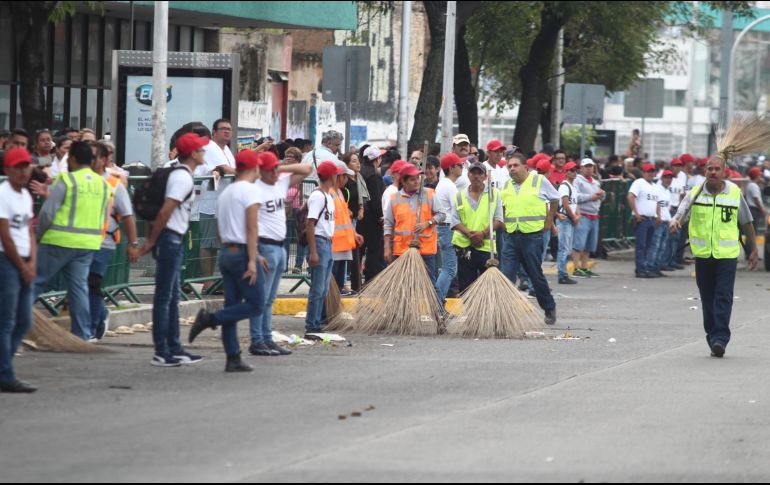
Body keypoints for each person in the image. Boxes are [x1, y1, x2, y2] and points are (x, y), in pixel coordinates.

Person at [671, 156, 758, 358]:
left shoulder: (735, 194)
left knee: (724, 296)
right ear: (705, 172)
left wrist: (752, 250)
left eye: (717, 169)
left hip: (727, 256)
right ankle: (712, 333)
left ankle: (720, 338)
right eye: (710, 169)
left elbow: (747, 223)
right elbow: (680, 215)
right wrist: (674, 223)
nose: (713, 172)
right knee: (707, 298)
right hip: (703, 256)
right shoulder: (695, 193)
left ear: (724, 172)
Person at [189, 150, 265, 372]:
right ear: (254, 168)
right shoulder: (250, 191)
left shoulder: (226, 193)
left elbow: (221, 230)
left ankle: (233, 356)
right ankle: (210, 319)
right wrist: (253, 259)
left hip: (226, 252)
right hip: (242, 253)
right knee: (256, 304)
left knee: (233, 305)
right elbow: (252, 227)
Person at [139, 133, 208, 367]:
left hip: (172, 238)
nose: (204, 153)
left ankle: (174, 347)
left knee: (172, 297)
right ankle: (162, 350)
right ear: (192, 153)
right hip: (170, 239)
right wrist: (151, 241)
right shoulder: (182, 179)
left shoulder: (183, 175)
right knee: (164, 297)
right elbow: (165, 212)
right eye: (201, 149)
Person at [34, 141, 109, 341]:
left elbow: (48, 212)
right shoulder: (102, 182)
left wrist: (39, 235)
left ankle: (12, 326)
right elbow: (103, 214)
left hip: (58, 241)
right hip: (88, 244)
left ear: (73, 159)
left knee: (34, 282)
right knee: (79, 289)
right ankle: (83, 334)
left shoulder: (66, 180)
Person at [251, 151, 311, 355]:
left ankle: (267, 338)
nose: (276, 174)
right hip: (264, 245)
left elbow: (307, 169)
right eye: (272, 170)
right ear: (262, 171)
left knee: (269, 299)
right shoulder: (255, 188)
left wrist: (280, 168)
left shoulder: (279, 182)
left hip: (279, 245)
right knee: (261, 297)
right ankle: (257, 339)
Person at [88, 141, 139, 341]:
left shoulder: (114, 184)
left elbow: (127, 216)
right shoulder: (82, 179)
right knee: (83, 284)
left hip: (103, 242)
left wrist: (133, 244)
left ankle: (93, 326)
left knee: (92, 283)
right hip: (79, 241)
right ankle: (98, 317)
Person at [500, 152, 559, 325]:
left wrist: (549, 220)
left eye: (515, 165)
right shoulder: (506, 186)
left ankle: (549, 307)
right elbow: (502, 206)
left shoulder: (538, 181)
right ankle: (504, 315)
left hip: (532, 236)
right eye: (509, 166)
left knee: (534, 274)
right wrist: (504, 223)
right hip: (511, 236)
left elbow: (555, 199)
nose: (512, 169)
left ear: (526, 167)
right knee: (506, 275)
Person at [0, 148, 37, 393]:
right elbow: (5, 235)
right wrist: (22, 265)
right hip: (7, 260)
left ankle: (4, 366)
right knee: (7, 320)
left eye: (26, 166)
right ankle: (6, 373)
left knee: (24, 320)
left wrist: (32, 262)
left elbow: (30, 231)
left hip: (25, 260)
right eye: (18, 167)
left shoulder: (25, 195)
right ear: (7, 170)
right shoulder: (3, 194)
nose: (24, 171)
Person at [384, 163, 444, 285]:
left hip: (425, 249)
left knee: (429, 285)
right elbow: (388, 225)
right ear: (404, 182)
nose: (417, 182)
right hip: (402, 250)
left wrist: (428, 223)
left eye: (417, 178)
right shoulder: (394, 198)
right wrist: (386, 247)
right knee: (403, 285)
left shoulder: (429, 194)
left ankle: (435, 305)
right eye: (412, 179)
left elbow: (442, 214)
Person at [197, 119, 237, 294]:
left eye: (229, 129)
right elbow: (226, 169)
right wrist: (249, 172)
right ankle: (207, 282)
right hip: (211, 203)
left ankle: (218, 280)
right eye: (223, 129)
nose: (227, 132)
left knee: (220, 244)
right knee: (208, 244)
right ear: (214, 132)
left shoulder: (226, 149)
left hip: (225, 204)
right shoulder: (211, 147)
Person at [450, 162, 503, 291]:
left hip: (486, 247)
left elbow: (499, 220)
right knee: (466, 287)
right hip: (465, 247)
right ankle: (469, 311)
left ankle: (486, 311)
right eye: (473, 173)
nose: (476, 176)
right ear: (468, 175)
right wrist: (470, 234)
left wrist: (482, 234)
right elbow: (454, 221)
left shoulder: (494, 194)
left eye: (480, 173)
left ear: (485, 176)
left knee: (488, 287)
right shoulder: (459, 195)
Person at [304, 161, 339, 337]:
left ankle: (315, 322)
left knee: (323, 288)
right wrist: (313, 252)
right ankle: (312, 324)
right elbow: (310, 224)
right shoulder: (319, 196)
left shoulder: (328, 196)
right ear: (331, 176)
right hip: (320, 241)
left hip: (327, 242)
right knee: (318, 288)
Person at [330, 160, 362, 297]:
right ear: (339, 177)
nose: (347, 180)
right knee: (331, 285)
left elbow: (344, 218)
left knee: (337, 284)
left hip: (342, 246)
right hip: (334, 246)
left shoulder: (339, 193)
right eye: (345, 176)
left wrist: (354, 233)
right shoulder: (331, 194)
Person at [435, 153, 463, 306]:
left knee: (447, 268)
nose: (462, 168)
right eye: (460, 165)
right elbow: (458, 211)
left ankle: (438, 303)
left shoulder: (443, 184)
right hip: (447, 229)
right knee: (449, 269)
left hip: (443, 229)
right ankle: (438, 303)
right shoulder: (450, 186)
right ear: (452, 168)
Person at [572, 158, 606, 278]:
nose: (588, 168)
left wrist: (602, 195)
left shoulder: (595, 182)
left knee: (589, 245)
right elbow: (575, 196)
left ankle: (585, 267)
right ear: (581, 168)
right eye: (586, 166)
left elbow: (600, 197)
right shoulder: (577, 181)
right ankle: (576, 267)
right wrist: (591, 197)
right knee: (578, 243)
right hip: (583, 214)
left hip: (594, 214)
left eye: (590, 166)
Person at [627, 163, 661, 278]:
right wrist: (636, 214)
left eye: (652, 171)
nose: (651, 173)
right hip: (641, 218)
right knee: (641, 245)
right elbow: (630, 196)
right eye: (648, 171)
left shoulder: (655, 186)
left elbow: (657, 202)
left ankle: (645, 267)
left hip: (651, 219)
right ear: (643, 173)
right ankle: (640, 269)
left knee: (648, 246)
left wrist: (658, 215)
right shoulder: (639, 183)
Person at [358, 145, 386, 282]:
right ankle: (369, 282)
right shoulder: (373, 175)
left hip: (360, 217)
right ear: (377, 159)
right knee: (373, 252)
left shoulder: (359, 171)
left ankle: (355, 282)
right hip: (371, 219)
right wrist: (381, 216)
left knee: (358, 251)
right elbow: (375, 199)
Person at [284, 147, 308, 274]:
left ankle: (298, 265)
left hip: (298, 207)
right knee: (286, 237)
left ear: (297, 159)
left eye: (291, 156)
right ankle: (284, 264)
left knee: (300, 237)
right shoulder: (283, 172)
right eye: (286, 156)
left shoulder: (301, 171)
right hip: (285, 208)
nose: (287, 158)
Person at [648, 170, 676, 275]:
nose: (668, 179)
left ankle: (656, 267)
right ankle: (650, 267)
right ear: (662, 178)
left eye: (670, 178)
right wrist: (658, 216)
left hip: (666, 221)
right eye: (666, 177)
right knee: (655, 245)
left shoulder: (668, 191)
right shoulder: (657, 188)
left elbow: (667, 207)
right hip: (659, 221)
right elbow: (657, 204)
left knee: (662, 247)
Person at [556, 161, 580, 284]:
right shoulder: (564, 186)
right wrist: (574, 216)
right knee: (564, 248)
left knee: (567, 247)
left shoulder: (573, 187)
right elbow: (565, 204)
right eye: (571, 170)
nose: (574, 172)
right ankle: (562, 274)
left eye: (575, 170)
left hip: (570, 219)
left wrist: (577, 215)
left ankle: (563, 272)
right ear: (566, 172)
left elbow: (575, 204)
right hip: (565, 219)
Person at [744, 167, 766, 234]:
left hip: (752, 210)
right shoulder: (753, 186)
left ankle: (749, 244)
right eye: (760, 175)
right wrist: (763, 210)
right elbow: (756, 200)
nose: (761, 177)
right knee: (753, 231)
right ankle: (750, 244)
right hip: (754, 210)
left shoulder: (750, 184)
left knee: (752, 230)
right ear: (757, 176)